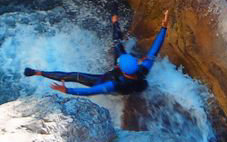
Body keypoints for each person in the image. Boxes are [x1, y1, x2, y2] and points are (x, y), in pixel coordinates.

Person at [25, 9, 169, 96]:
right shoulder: (144, 67)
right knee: (118, 44)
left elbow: (90, 92)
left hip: (106, 81)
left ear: (120, 68)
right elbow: (155, 48)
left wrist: (67, 91)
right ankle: (115, 22)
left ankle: (38, 72)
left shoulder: (111, 85)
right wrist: (164, 27)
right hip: (129, 80)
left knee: (74, 76)